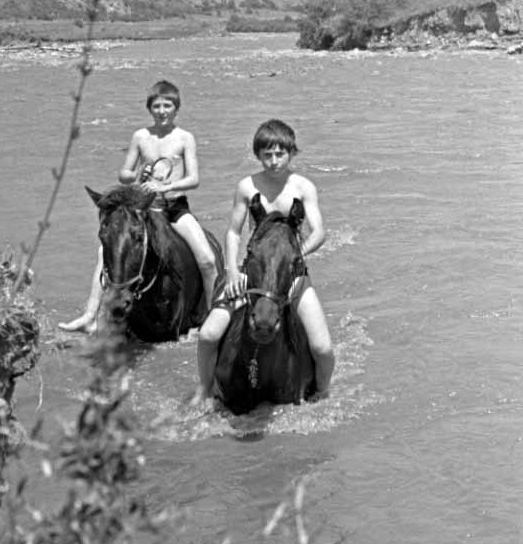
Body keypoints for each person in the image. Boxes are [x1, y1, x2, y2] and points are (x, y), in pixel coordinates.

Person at [59, 80, 218, 333]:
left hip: (175, 209)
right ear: (149, 108)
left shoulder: (185, 138)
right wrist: (136, 174)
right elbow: (124, 173)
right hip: (143, 210)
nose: (162, 110)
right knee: (105, 254)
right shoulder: (140, 136)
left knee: (208, 259)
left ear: (177, 108)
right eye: (157, 106)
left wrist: (165, 188)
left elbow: (194, 179)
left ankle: (212, 315)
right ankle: (90, 315)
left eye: (168, 105)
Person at [196, 118, 335, 401]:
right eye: (267, 155)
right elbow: (234, 233)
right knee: (208, 335)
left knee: (322, 349)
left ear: (292, 152)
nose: (273, 161)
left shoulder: (304, 187)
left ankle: (323, 393)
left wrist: (296, 257)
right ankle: (204, 389)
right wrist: (233, 271)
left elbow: (319, 231)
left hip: (292, 277)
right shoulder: (247, 186)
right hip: (252, 274)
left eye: (279, 154)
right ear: (258, 155)